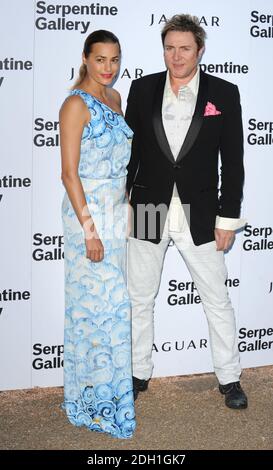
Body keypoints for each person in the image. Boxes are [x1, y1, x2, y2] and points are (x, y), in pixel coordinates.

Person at [125, 14, 248, 409]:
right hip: (146, 206)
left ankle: (229, 379)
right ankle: (137, 373)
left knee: (217, 299)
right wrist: (124, 201)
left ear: (200, 50)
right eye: (169, 47)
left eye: (184, 48)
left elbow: (233, 162)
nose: (175, 56)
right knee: (139, 297)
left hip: (202, 213)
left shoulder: (224, 93)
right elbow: (130, 154)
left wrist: (227, 218)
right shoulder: (142, 90)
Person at [59, 30, 136, 438]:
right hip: (86, 217)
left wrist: (124, 213)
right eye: (101, 59)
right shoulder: (75, 105)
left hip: (114, 215)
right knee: (92, 315)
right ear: (86, 58)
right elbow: (69, 174)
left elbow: (122, 168)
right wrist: (90, 231)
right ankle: (90, 401)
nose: (108, 68)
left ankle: (110, 396)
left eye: (115, 59)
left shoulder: (116, 100)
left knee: (115, 312)